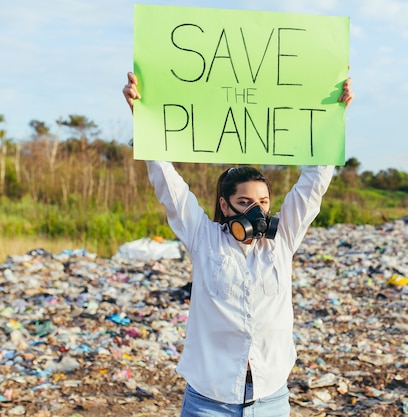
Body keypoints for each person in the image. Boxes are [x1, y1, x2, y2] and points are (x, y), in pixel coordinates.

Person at [122, 72, 353, 417]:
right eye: (245, 202)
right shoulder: (204, 239)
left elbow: (314, 184)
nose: (256, 210)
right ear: (225, 204)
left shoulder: (282, 239)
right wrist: (142, 114)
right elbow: (169, 186)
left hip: (269, 398)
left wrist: (335, 115)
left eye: (262, 201)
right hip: (209, 400)